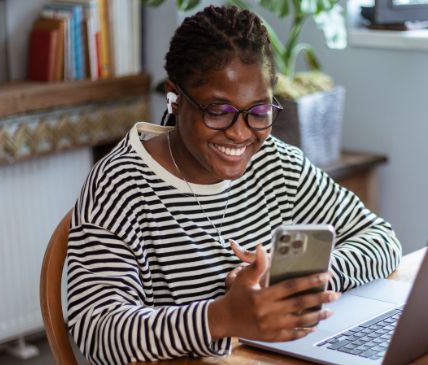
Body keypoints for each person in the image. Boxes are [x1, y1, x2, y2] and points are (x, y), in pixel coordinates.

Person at [66, 5, 402, 365]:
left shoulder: (273, 163)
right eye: (218, 111)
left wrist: (300, 279)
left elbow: (381, 238)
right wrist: (222, 317)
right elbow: (96, 330)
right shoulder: (120, 185)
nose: (241, 133)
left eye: (259, 111)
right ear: (174, 98)